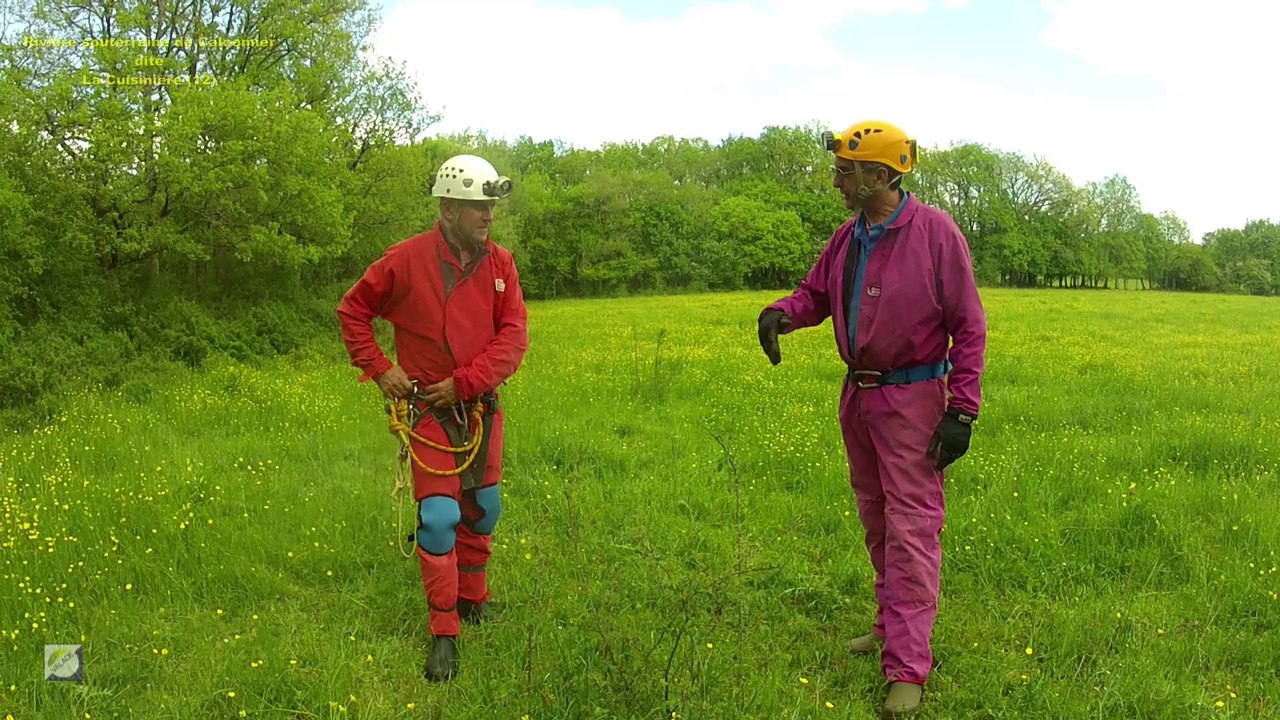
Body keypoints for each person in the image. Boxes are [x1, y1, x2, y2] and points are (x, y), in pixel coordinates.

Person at [756, 120, 986, 718]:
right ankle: (889, 627)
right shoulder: (847, 237)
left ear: (879, 176)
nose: (836, 181)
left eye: (845, 172)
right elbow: (817, 296)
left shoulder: (936, 234)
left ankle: (908, 668)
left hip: (914, 402)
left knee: (912, 530)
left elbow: (970, 325)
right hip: (858, 400)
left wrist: (962, 409)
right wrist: (782, 313)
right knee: (877, 519)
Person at [336, 153, 529, 682]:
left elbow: (514, 337)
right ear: (448, 209)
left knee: (483, 509)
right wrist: (379, 368)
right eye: (477, 207)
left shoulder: (501, 265)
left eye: (490, 207)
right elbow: (353, 310)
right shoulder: (405, 259)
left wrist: (466, 382)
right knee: (441, 519)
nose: (488, 216)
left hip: (481, 407)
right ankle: (444, 630)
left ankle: (473, 600)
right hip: (426, 412)